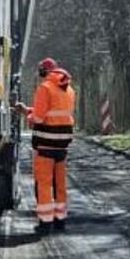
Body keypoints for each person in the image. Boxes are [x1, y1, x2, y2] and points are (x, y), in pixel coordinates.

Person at [17, 57, 76, 234]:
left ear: (44, 71)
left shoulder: (45, 88)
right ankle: (60, 220)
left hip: (45, 143)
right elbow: (54, 113)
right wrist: (27, 110)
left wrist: (29, 116)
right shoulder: (68, 89)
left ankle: (45, 222)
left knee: (43, 183)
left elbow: (39, 118)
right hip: (62, 145)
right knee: (59, 184)